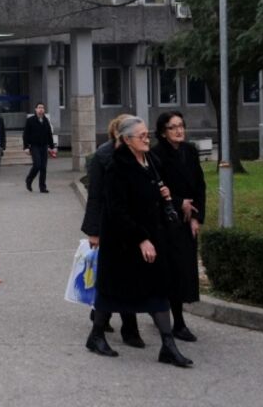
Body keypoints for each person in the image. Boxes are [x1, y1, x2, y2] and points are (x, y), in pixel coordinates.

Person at [86, 114, 193, 368]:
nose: (147, 139)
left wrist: (164, 194)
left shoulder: (150, 160)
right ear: (127, 140)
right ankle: (96, 335)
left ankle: (168, 346)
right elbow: (117, 211)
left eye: (147, 135)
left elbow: (150, 194)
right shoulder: (117, 167)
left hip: (151, 236)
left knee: (158, 292)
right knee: (112, 293)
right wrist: (141, 239)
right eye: (142, 136)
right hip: (123, 242)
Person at [81, 116, 144, 350]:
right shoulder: (103, 155)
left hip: (130, 224)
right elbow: (95, 195)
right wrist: (94, 231)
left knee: (127, 278)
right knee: (113, 277)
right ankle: (113, 325)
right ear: (121, 134)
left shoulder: (139, 155)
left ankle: (126, 326)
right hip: (109, 225)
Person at [153, 110, 205, 343]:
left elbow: (200, 185)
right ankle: (177, 322)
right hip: (167, 221)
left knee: (185, 271)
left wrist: (196, 217)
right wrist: (177, 202)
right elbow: (155, 187)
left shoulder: (190, 151)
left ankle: (166, 314)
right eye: (173, 127)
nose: (178, 130)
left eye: (181, 125)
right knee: (172, 271)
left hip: (187, 220)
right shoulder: (156, 155)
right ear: (163, 132)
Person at [22, 102, 56, 192]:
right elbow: (25, 135)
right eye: (39, 108)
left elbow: (49, 134)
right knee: (37, 165)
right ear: (36, 109)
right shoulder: (30, 120)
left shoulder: (46, 120)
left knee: (43, 167)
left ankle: (42, 187)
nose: (41, 109)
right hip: (34, 146)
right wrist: (26, 147)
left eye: (42, 108)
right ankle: (29, 179)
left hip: (44, 146)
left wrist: (52, 146)